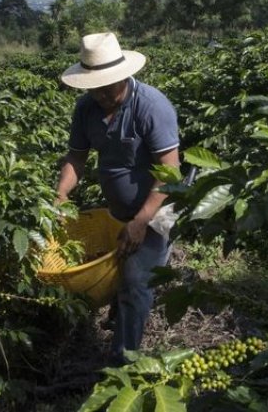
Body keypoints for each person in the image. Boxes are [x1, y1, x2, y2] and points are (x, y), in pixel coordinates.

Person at [55, 32, 180, 365]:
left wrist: (142, 221)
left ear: (124, 76)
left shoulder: (152, 106)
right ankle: (119, 320)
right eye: (93, 87)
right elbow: (76, 157)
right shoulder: (87, 108)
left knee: (138, 282)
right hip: (119, 209)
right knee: (121, 266)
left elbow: (170, 172)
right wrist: (62, 193)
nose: (100, 94)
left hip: (157, 208)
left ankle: (122, 364)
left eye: (107, 87)